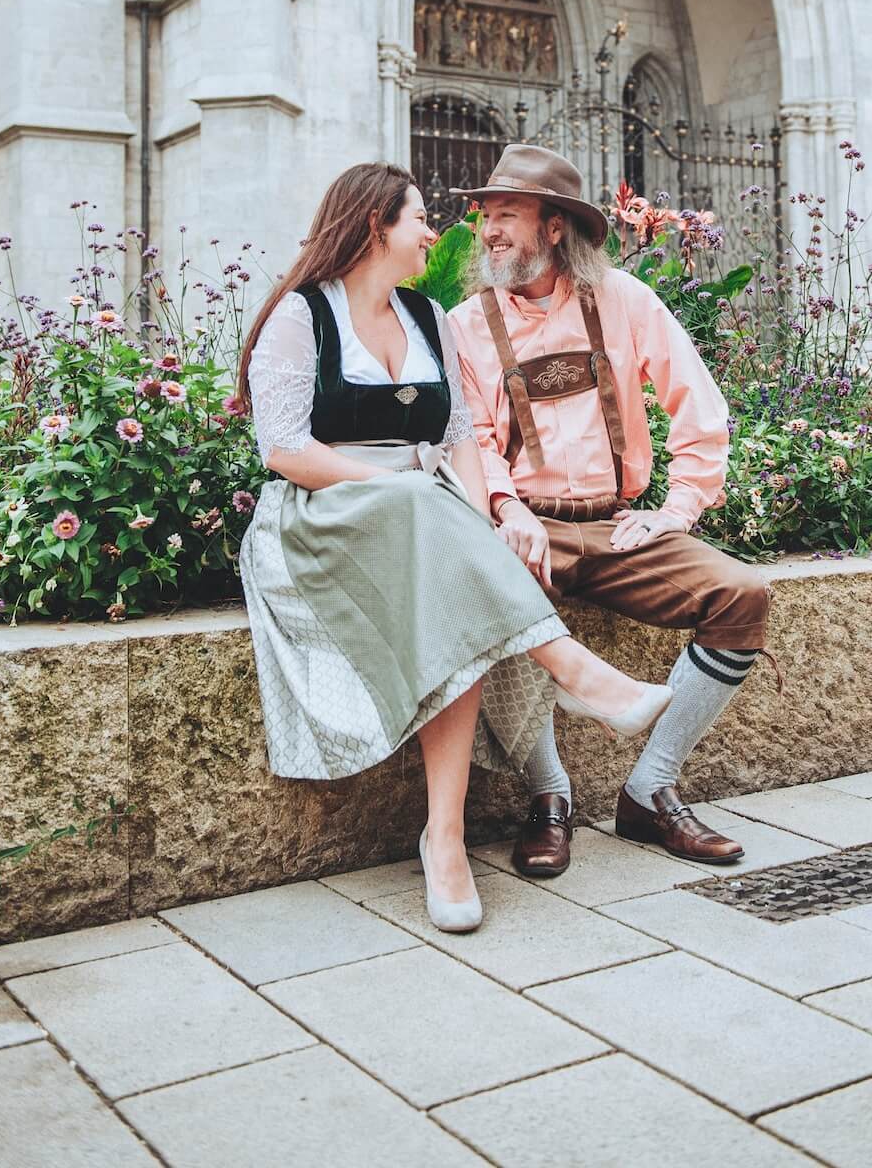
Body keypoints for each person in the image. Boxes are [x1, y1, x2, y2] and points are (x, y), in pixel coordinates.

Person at [235, 162, 672, 935]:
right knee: (425, 513)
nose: (434, 234)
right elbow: (285, 450)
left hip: (421, 514)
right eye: (418, 219)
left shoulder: (427, 317)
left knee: (452, 560)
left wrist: (482, 519)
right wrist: (399, 486)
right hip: (322, 515)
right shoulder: (301, 316)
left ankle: (445, 837)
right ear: (375, 227)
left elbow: (460, 436)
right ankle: (574, 672)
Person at [447, 144, 771, 878]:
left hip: (616, 523)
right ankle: (549, 798)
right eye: (486, 216)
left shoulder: (625, 301)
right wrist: (504, 507)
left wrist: (677, 509)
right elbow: (470, 437)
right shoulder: (465, 325)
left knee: (741, 595)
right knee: (497, 591)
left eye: (508, 215)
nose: (489, 230)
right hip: (528, 525)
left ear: (554, 226)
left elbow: (698, 405)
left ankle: (651, 790)